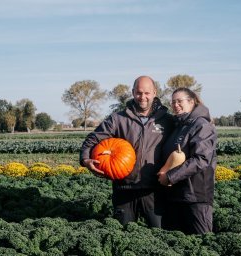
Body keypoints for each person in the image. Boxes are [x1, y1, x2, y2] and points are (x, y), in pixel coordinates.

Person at [80, 75, 174, 228]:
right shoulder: (118, 119)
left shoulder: (168, 121)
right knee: (122, 232)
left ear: (154, 93)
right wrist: (85, 160)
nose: (142, 97)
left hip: (155, 191)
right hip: (124, 189)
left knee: (160, 234)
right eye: (138, 92)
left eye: (147, 93)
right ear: (132, 93)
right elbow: (92, 139)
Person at [157, 87, 217, 234]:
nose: (175, 105)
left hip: (196, 196)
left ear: (191, 102)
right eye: (173, 102)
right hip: (177, 195)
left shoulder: (202, 125)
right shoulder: (179, 126)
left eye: (179, 101)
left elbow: (201, 159)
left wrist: (170, 177)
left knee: (201, 241)